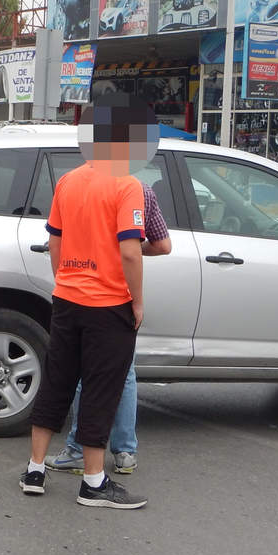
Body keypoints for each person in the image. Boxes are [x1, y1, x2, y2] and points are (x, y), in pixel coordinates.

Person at [19, 94, 158, 509]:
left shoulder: (68, 181)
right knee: (101, 389)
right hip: (108, 305)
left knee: (57, 382)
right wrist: (136, 301)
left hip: (67, 300)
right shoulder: (127, 184)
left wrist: (66, 281)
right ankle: (94, 484)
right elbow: (131, 252)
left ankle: (35, 470)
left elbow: (55, 243)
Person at [46, 182, 171, 476]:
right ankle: (125, 451)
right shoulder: (141, 191)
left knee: (84, 371)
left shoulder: (78, 186)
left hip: (84, 291)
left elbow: (58, 239)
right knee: (124, 372)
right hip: (120, 293)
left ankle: (77, 450)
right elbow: (163, 245)